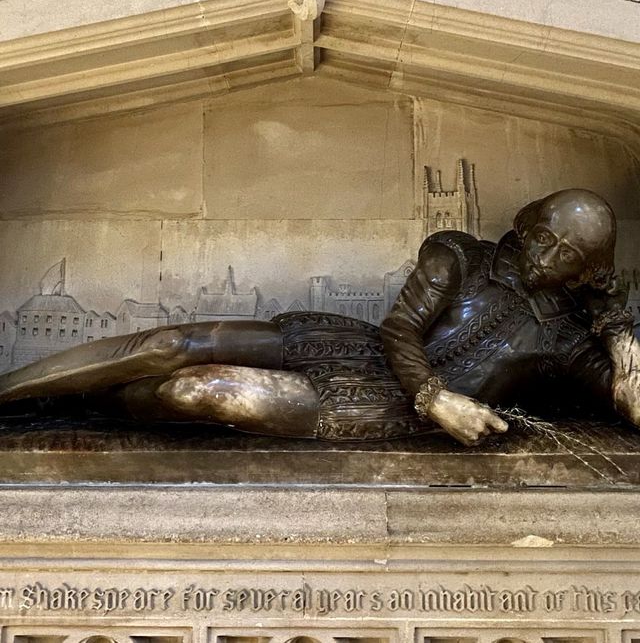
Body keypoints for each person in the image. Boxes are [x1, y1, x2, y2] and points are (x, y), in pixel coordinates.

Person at [0, 188, 637, 447]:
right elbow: (399, 329)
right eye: (544, 236)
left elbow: (628, 399)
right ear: (527, 224)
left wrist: (614, 325)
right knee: (174, 340)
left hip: (374, 412)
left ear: (586, 269)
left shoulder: (564, 341)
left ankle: (71, 411)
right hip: (350, 350)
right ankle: (12, 395)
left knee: (200, 389)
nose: (545, 255)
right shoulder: (460, 257)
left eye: (568, 256)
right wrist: (437, 398)